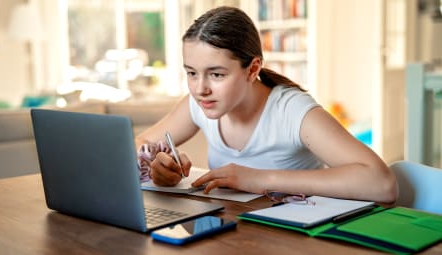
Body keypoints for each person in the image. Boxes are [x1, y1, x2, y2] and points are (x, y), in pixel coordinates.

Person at [135, 6, 397, 203]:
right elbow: (137, 145)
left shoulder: (292, 111)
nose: (200, 88)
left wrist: (260, 179)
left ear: (253, 69)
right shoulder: (198, 103)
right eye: (191, 72)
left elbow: (382, 183)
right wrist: (160, 164)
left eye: (216, 74)